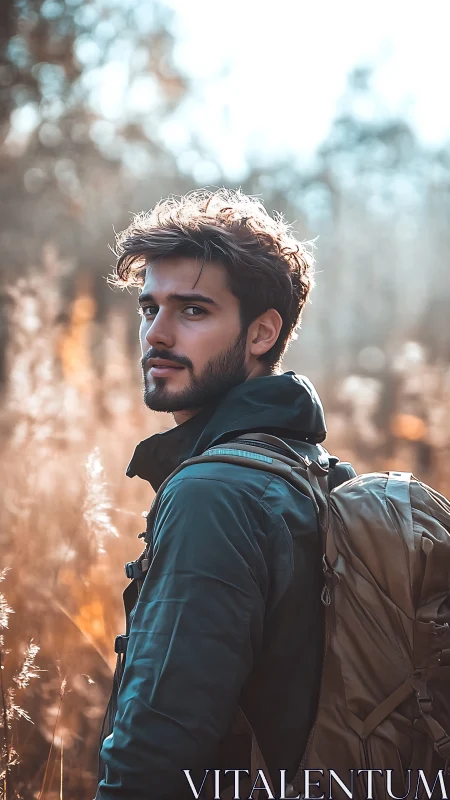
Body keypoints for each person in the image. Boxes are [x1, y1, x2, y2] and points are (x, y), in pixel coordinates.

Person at [96, 189, 327, 800]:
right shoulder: (307, 464)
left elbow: (159, 749)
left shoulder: (213, 496)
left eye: (192, 311)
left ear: (261, 333)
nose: (157, 335)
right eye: (149, 309)